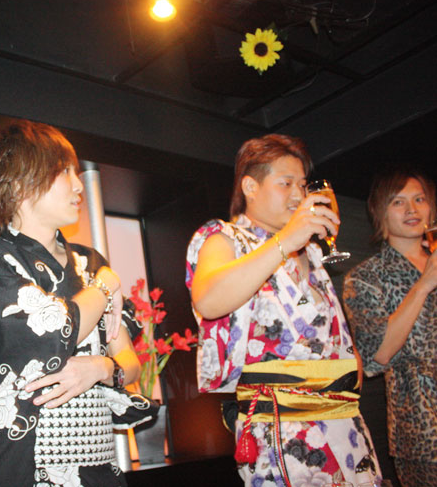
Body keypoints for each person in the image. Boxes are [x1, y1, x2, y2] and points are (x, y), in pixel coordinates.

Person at [0, 120, 154, 487]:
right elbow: (54, 329)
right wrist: (107, 284)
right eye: (64, 172)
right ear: (18, 183)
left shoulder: (90, 262)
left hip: (99, 462)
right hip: (27, 467)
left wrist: (101, 367)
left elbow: (130, 362)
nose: (78, 185)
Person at [185, 134, 381, 486]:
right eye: (285, 183)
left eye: (302, 185)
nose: (298, 195)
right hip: (281, 429)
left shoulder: (312, 252)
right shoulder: (225, 237)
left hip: (345, 422)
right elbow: (209, 300)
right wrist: (285, 240)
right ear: (250, 186)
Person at [343, 168, 437, 487]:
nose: (412, 209)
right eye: (398, 202)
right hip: (424, 427)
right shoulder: (365, 277)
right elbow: (378, 354)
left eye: (419, 199)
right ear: (380, 212)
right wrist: (424, 285)